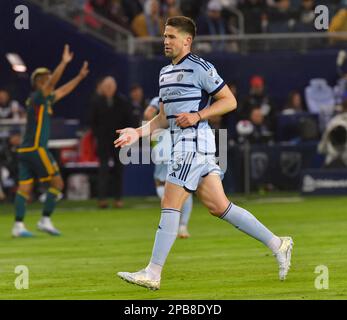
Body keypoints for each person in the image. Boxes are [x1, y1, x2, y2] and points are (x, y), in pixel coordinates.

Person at [115, 16, 293, 290]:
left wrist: (199, 115)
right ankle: (278, 243)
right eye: (164, 36)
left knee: (170, 202)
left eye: (171, 36)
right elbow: (163, 117)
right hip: (186, 143)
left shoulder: (200, 67)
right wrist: (136, 132)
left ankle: (152, 272)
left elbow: (229, 101)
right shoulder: (164, 73)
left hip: (194, 143)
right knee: (219, 207)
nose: (165, 41)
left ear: (187, 40)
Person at [12, 44, 89, 237]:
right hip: (37, 148)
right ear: (37, 82)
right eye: (44, 78)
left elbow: (62, 90)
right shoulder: (37, 98)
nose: (48, 79)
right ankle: (45, 220)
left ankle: (18, 226)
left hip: (24, 151)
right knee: (58, 184)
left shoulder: (43, 100)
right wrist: (63, 63)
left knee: (24, 189)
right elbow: (54, 84)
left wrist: (79, 77)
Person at [144, 96, 192, 238]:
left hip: (166, 139)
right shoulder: (186, 97)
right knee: (185, 182)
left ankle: (174, 223)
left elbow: (148, 114)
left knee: (162, 180)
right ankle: (182, 225)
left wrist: (155, 130)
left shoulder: (161, 97)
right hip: (182, 139)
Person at [90, 76, 135, 209]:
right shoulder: (96, 101)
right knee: (102, 170)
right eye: (107, 86)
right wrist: (98, 135)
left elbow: (129, 120)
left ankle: (118, 199)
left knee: (118, 170)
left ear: (115, 87)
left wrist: (126, 136)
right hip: (103, 140)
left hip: (119, 140)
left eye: (111, 86)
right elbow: (92, 121)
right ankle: (102, 199)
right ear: (102, 87)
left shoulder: (122, 101)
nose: (109, 88)